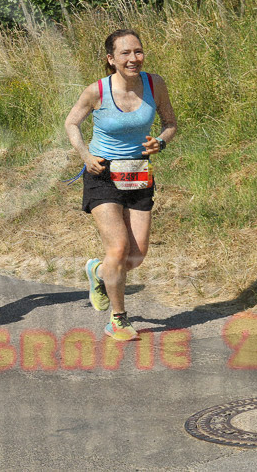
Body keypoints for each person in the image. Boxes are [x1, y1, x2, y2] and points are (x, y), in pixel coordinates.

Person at [64, 29, 177, 341]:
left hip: (138, 172)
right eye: (125, 53)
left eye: (138, 51)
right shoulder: (96, 91)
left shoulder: (155, 84)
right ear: (110, 59)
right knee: (118, 247)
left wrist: (161, 142)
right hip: (101, 172)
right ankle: (118, 318)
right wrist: (85, 155)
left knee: (136, 256)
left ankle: (98, 272)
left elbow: (171, 123)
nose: (133, 58)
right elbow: (71, 123)